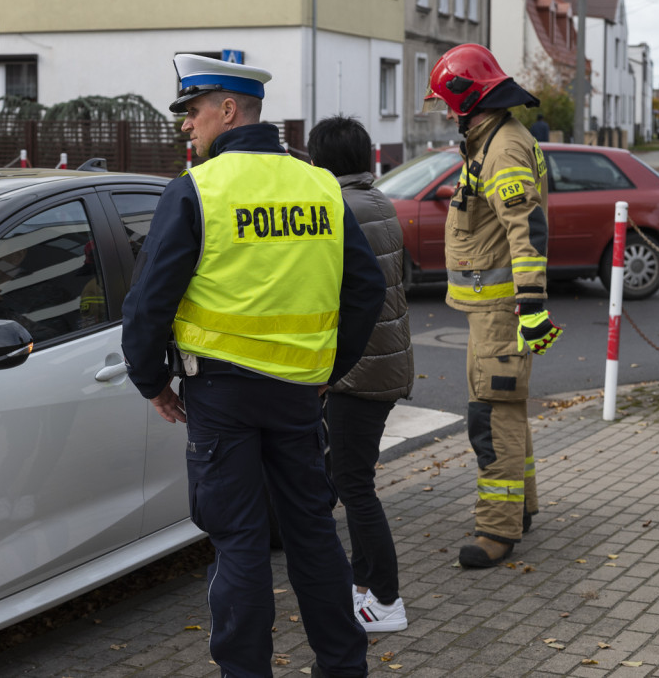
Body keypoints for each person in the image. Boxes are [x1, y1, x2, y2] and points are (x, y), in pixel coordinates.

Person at [122, 54, 386, 678]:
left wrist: (151, 381)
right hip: (299, 395)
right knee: (312, 533)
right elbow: (366, 289)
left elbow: (149, 300)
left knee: (238, 541)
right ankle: (343, 666)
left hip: (222, 396)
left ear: (228, 110)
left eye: (193, 111)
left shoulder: (199, 190)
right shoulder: (320, 184)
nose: (187, 125)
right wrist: (327, 367)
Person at [423, 44, 563, 568]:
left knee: (492, 416)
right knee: (507, 409)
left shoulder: (501, 148)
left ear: (466, 98)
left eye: (447, 103)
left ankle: (496, 530)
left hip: (502, 309)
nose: (446, 114)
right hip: (493, 308)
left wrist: (530, 307)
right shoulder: (493, 141)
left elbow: (525, 229)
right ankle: (520, 507)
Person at [307, 115, 414, 632]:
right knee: (351, 476)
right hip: (387, 359)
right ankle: (363, 583)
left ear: (319, 161)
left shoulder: (337, 209)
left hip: (359, 370)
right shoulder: (380, 202)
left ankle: (388, 601)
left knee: (354, 484)